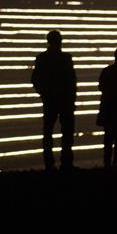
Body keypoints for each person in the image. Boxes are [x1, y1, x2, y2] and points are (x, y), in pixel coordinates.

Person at [31, 30, 77, 170]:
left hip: (51, 100)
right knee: (66, 133)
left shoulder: (42, 58)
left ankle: (49, 164)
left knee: (49, 132)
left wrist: (44, 94)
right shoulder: (65, 58)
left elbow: (35, 79)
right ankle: (66, 163)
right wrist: (71, 99)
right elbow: (72, 81)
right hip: (64, 101)